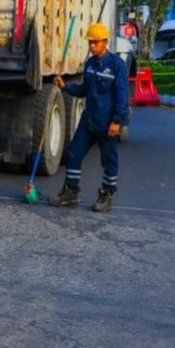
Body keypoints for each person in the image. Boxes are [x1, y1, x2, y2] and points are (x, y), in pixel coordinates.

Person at [49, 23, 130, 213]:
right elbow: (84, 90)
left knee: (109, 160)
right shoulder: (91, 64)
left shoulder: (117, 66)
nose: (92, 46)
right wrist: (65, 86)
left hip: (108, 123)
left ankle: (107, 195)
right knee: (74, 153)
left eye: (95, 43)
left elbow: (122, 96)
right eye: (90, 43)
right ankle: (70, 193)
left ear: (105, 42)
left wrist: (117, 121)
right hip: (89, 119)